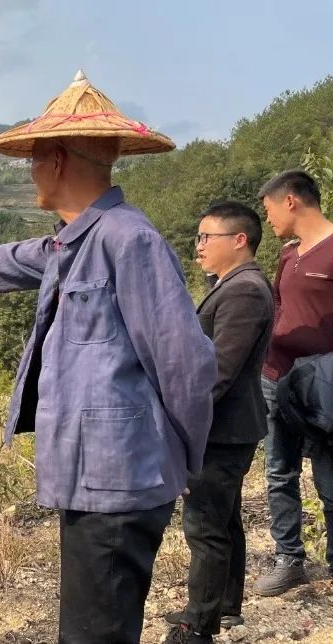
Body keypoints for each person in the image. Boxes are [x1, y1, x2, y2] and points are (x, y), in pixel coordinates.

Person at [0, 71, 216, 643]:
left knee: (94, 634)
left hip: (121, 480)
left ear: (55, 160)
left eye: (34, 159)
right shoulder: (72, 240)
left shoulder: (129, 241)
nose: (30, 171)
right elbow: (18, 258)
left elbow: (186, 363)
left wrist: (180, 455)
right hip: (94, 479)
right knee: (90, 626)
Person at [163, 202, 274, 643]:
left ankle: (199, 624)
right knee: (224, 520)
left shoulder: (244, 290)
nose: (200, 246)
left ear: (240, 240)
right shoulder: (231, 284)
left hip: (221, 429)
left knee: (205, 525)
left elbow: (219, 371)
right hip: (229, 427)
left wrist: (181, 424)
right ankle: (224, 606)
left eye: (208, 237)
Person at [254, 169, 333, 597]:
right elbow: (280, 306)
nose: (267, 219)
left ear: (291, 202)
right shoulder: (288, 254)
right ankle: (290, 559)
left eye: (268, 209)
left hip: (321, 387)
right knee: (278, 472)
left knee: (328, 477)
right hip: (276, 377)